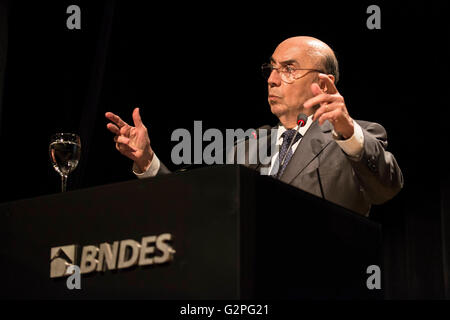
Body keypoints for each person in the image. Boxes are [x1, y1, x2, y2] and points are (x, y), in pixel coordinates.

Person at [105, 36, 403, 216]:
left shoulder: (352, 137)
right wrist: (147, 161)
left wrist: (347, 131)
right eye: (271, 69)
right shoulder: (247, 147)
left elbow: (386, 188)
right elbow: (200, 210)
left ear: (322, 83)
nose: (272, 79)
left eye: (288, 69)